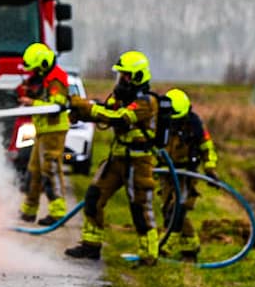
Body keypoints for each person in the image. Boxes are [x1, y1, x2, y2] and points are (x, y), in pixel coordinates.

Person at [64, 50, 160, 264]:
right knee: (93, 197)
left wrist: (89, 108)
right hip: (116, 160)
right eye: (120, 75)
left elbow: (120, 119)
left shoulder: (146, 102)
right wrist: (81, 109)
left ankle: (149, 254)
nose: (121, 80)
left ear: (137, 76)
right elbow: (106, 109)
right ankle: (91, 245)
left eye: (125, 75)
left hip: (138, 162)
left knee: (140, 208)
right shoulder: (121, 97)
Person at [156, 88, 219, 262]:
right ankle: (191, 248)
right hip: (166, 173)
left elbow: (207, 148)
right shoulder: (162, 121)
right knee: (167, 210)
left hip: (185, 174)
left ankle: (165, 246)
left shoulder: (194, 126)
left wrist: (210, 168)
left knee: (178, 209)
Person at [17, 43, 71, 226]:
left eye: (36, 69)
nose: (34, 73)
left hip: (54, 130)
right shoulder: (45, 77)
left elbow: (56, 106)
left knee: (50, 169)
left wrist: (31, 102)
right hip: (42, 130)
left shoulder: (56, 79)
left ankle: (58, 213)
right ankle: (29, 210)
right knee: (34, 171)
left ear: (44, 64)